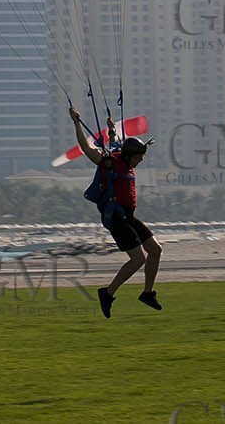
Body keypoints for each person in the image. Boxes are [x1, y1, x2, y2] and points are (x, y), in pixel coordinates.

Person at [70, 107, 162, 318]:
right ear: (130, 156)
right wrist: (76, 123)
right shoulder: (108, 163)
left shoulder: (125, 160)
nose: (141, 161)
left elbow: (115, 143)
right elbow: (86, 148)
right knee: (138, 259)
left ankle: (147, 293)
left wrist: (111, 130)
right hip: (117, 218)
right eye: (139, 157)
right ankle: (107, 293)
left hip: (129, 217)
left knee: (156, 250)